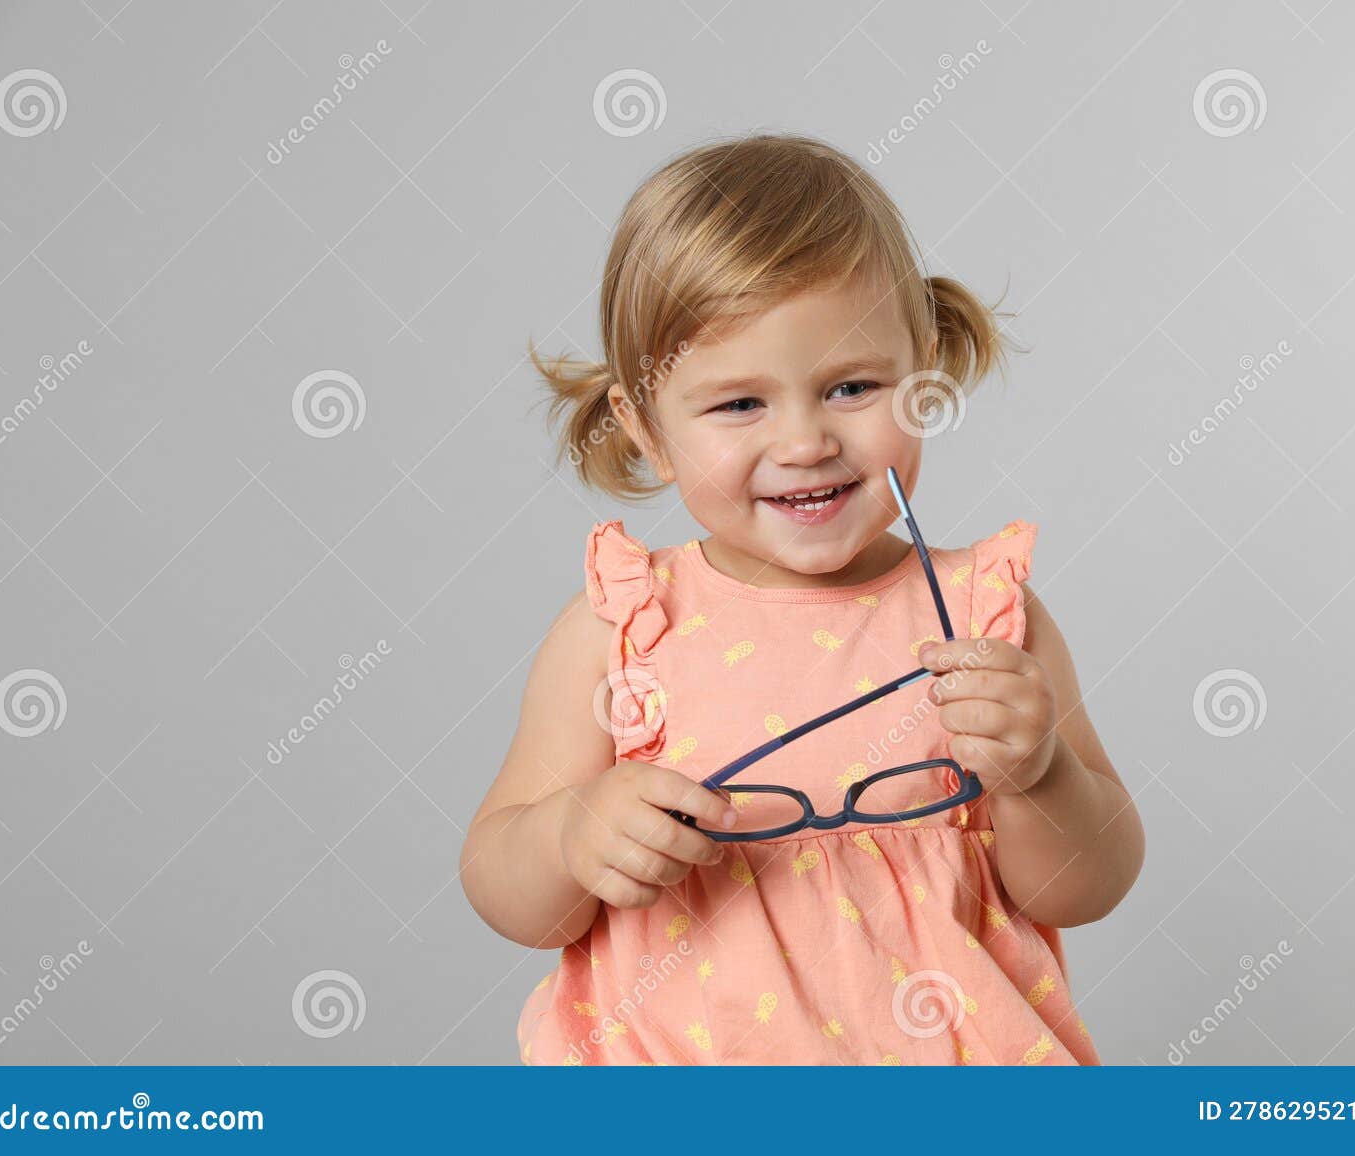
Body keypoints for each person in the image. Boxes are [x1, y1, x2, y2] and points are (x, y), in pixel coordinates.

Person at [459, 132, 1144, 1064]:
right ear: (646, 429)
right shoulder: (622, 633)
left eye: (852, 387)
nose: (806, 441)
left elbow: (1088, 884)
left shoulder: (986, 619)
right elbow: (506, 889)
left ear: (924, 374)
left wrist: (1043, 774)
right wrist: (571, 836)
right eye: (739, 405)